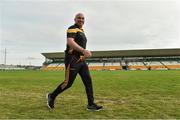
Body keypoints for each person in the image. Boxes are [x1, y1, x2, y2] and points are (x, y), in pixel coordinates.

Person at [46, 13, 103, 111]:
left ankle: (90, 104)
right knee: (68, 83)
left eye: (83, 18)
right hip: (72, 59)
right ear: (75, 19)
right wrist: (84, 51)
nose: (81, 20)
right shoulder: (72, 28)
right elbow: (70, 42)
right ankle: (52, 96)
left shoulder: (81, 31)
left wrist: (84, 53)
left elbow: (79, 44)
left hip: (81, 60)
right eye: (79, 18)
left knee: (88, 81)